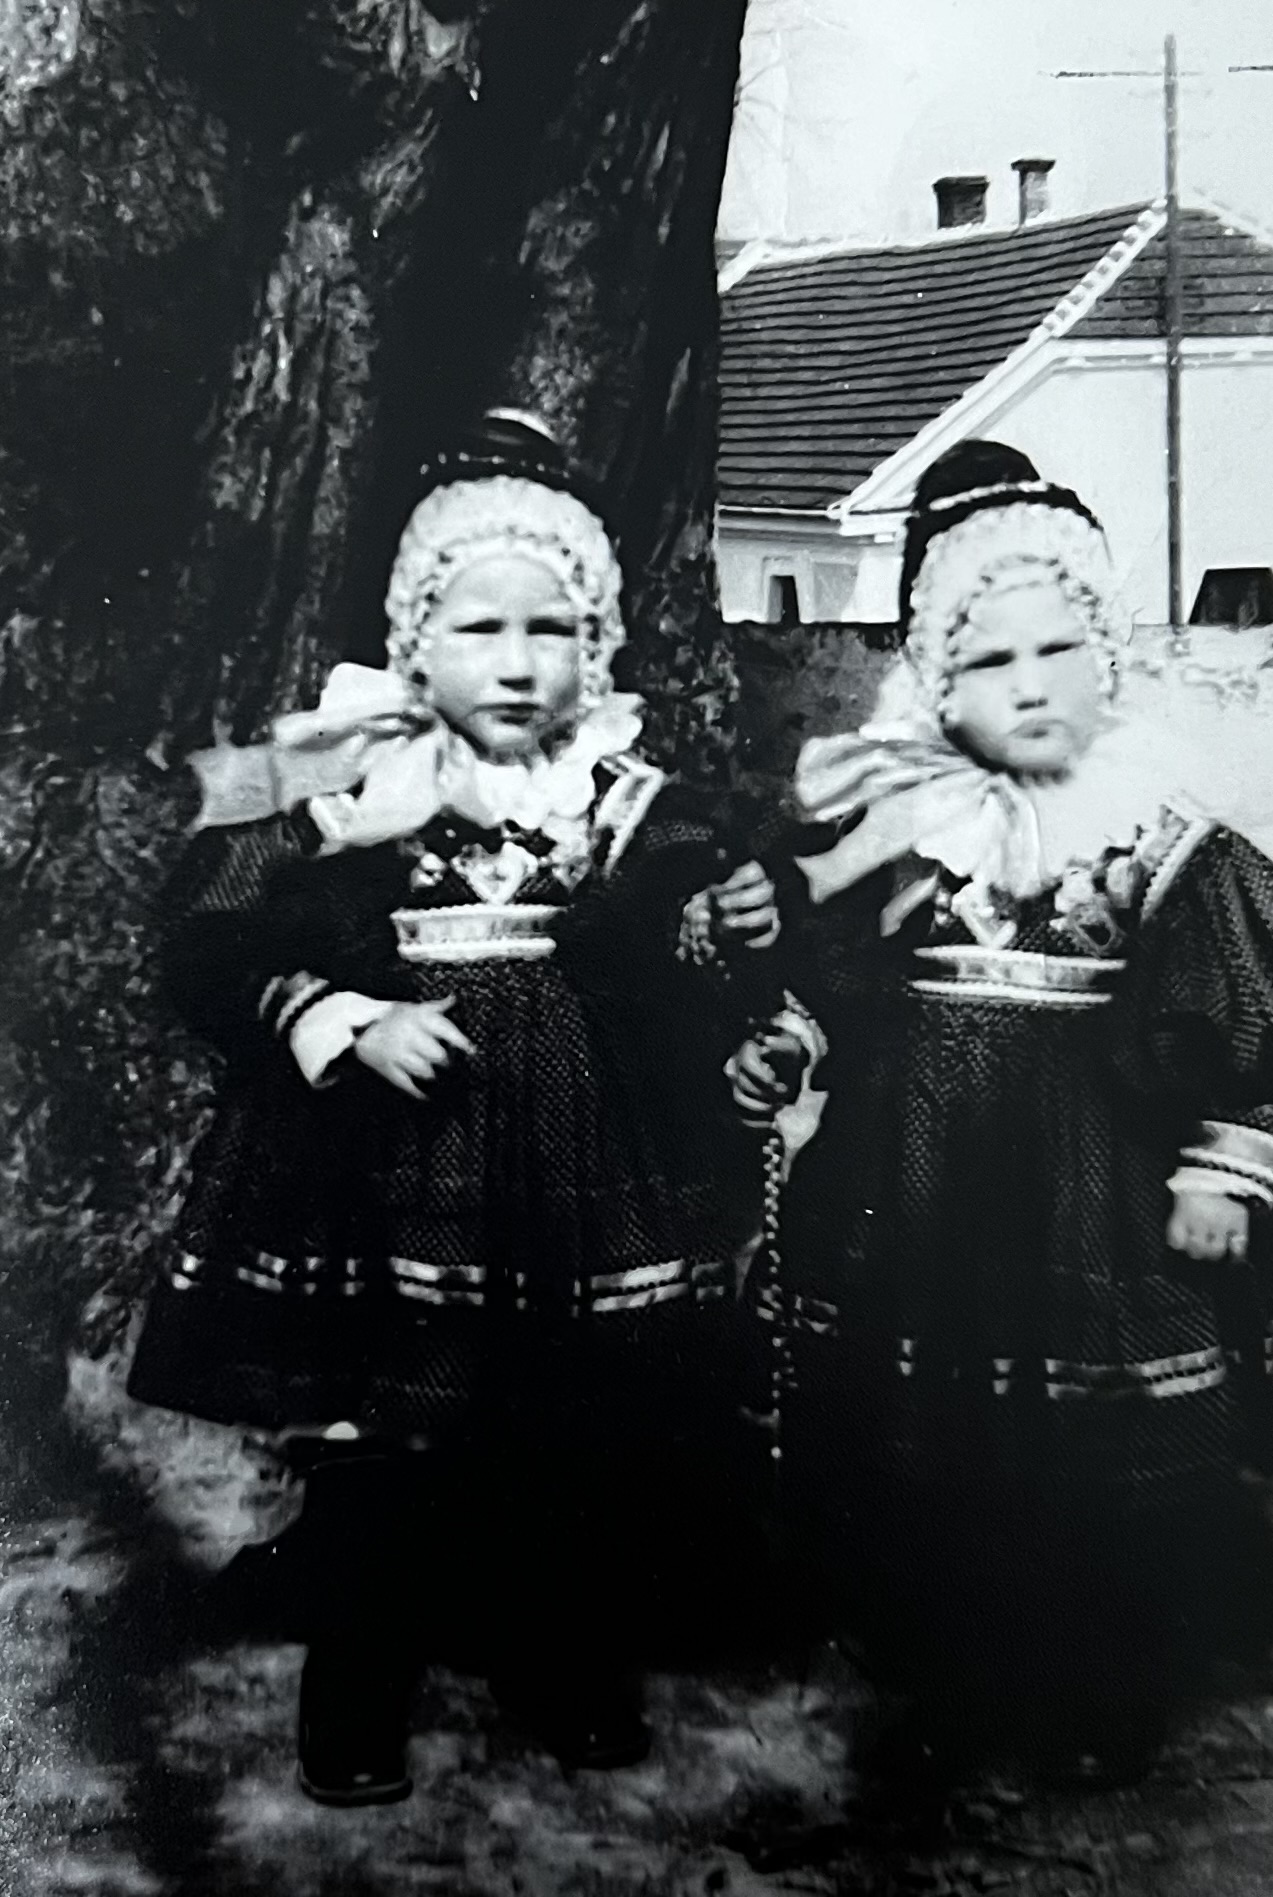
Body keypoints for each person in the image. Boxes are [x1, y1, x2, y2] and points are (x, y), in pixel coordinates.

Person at [128, 410, 779, 1805]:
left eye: (554, 630)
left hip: (571, 1162)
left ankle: (558, 1652)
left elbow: (684, 940)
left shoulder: (625, 801)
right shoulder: (351, 788)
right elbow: (207, 938)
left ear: (596, 648)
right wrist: (345, 1018)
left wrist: (726, 922)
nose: (519, 662)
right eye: (481, 628)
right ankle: (357, 1681)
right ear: (417, 643)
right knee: (386, 1430)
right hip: (386, 1166)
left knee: (565, 1427)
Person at [733, 440, 1273, 1790]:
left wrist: (1222, 1160)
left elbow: (1242, 1013)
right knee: (942, 1433)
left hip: (1095, 1187)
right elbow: (842, 984)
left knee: (1092, 1451)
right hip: (927, 1178)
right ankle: (958, 1666)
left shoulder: (1166, 835)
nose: (1027, 685)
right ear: (933, 680)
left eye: (1057, 650)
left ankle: (1102, 1680)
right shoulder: (904, 828)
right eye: (985, 660)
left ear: (1110, 656)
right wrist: (791, 1038)